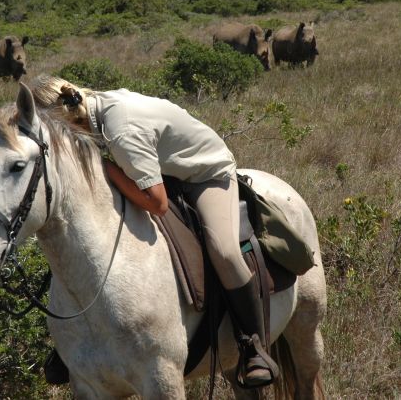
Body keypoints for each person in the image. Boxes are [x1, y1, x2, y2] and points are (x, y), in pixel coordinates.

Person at [31, 74, 278, 387]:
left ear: (62, 116)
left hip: (203, 173)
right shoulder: (92, 109)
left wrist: (107, 170)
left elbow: (157, 203)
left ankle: (253, 345)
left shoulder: (120, 130)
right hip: (160, 168)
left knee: (224, 250)